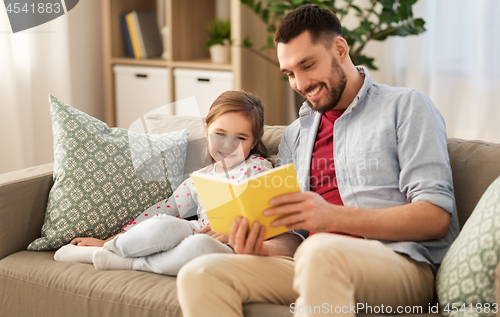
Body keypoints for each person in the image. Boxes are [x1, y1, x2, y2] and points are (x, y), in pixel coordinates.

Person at [176, 4, 459, 317]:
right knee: (200, 274)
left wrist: (332, 218)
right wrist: (263, 249)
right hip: (310, 261)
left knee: (320, 250)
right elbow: (294, 236)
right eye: (290, 74)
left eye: (307, 65)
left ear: (339, 49)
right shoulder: (295, 135)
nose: (300, 83)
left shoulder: (405, 106)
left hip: (399, 265)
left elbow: (435, 216)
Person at [54, 90, 274, 276]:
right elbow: (164, 210)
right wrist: (109, 239)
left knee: (200, 246)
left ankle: (126, 263)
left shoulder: (259, 167)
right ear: (207, 130)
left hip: (232, 246)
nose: (228, 145)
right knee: (163, 223)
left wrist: (235, 233)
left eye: (240, 138)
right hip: (198, 231)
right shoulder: (199, 179)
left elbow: (270, 214)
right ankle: (108, 249)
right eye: (220, 134)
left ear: (254, 141)